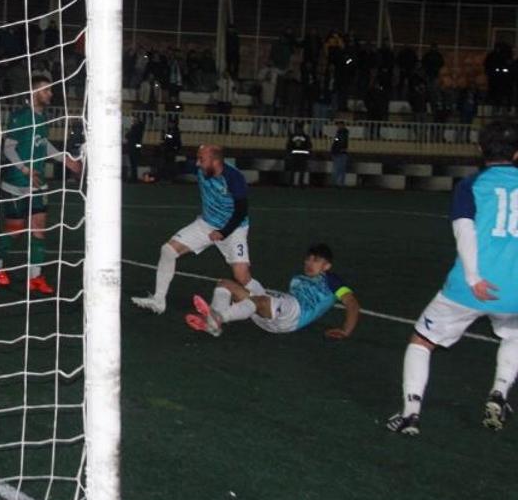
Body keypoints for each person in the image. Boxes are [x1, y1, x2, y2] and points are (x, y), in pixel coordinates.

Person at [386, 121, 518, 436]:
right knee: (515, 335)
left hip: (470, 288)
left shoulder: (471, 186)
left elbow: (464, 231)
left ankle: (410, 414)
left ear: (480, 149)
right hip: (515, 289)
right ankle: (499, 392)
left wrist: (473, 278)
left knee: (422, 341)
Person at [132, 144, 254, 314]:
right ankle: (158, 301)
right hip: (206, 224)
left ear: (215, 161)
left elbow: (241, 211)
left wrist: (223, 232)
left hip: (234, 229)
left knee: (242, 276)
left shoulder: (234, 177)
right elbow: (178, 167)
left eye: (201, 159)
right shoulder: (201, 169)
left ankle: (263, 306)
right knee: (168, 250)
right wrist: (155, 174)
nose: (197, 163)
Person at [0, 75, 83, 294]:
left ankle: (35, 277)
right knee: (15, 230)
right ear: (34, 92)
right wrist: (25, 169)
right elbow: (8, 148)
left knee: (39, 229)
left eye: (50, 90)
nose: (50, 94)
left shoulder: (42, 117)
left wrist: (65, 159)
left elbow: (43, 145)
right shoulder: (21, 116)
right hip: (16, 182)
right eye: (46, 90)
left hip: (38, 183)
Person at [185, 242, 359, 339]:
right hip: (272, 316)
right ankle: (213, 326)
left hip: (295, 313)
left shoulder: (331, 280)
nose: (309, 263)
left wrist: (346, 330)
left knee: (261, 300)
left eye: (316, 260)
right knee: (224, 284)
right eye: (308, 259)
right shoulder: (297, 279)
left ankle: (218, 317)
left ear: (327, 266)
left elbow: (352, 303)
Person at [285, 121, 312, 187]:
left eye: (299, 128)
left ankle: (298, 183)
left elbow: (309, 146)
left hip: (299, 156)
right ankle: (294, 183)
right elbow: (288, 146)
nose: (298, 129)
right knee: (295, 170)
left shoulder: (295, 136)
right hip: (298, 156)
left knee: (299, 170)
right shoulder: (305, 137)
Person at [126, 116, 145, 183]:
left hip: (133, 148)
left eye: (134, 120)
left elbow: (128, 136)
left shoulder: (136, 128)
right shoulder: (138, 128)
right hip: (134, 147)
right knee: (133, 164)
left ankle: (134, 178)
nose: (133, 121)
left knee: (133, 164)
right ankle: (134, 177)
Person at [330, 121, 350, 187]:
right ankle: (340, 183)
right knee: (341, 169)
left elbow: (337, 143)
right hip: (340, 152)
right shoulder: (342, 133)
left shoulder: (341, 134)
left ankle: (337, 182)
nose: (338, 127)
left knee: (338, 168)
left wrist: (333, 151)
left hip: (339, 153)